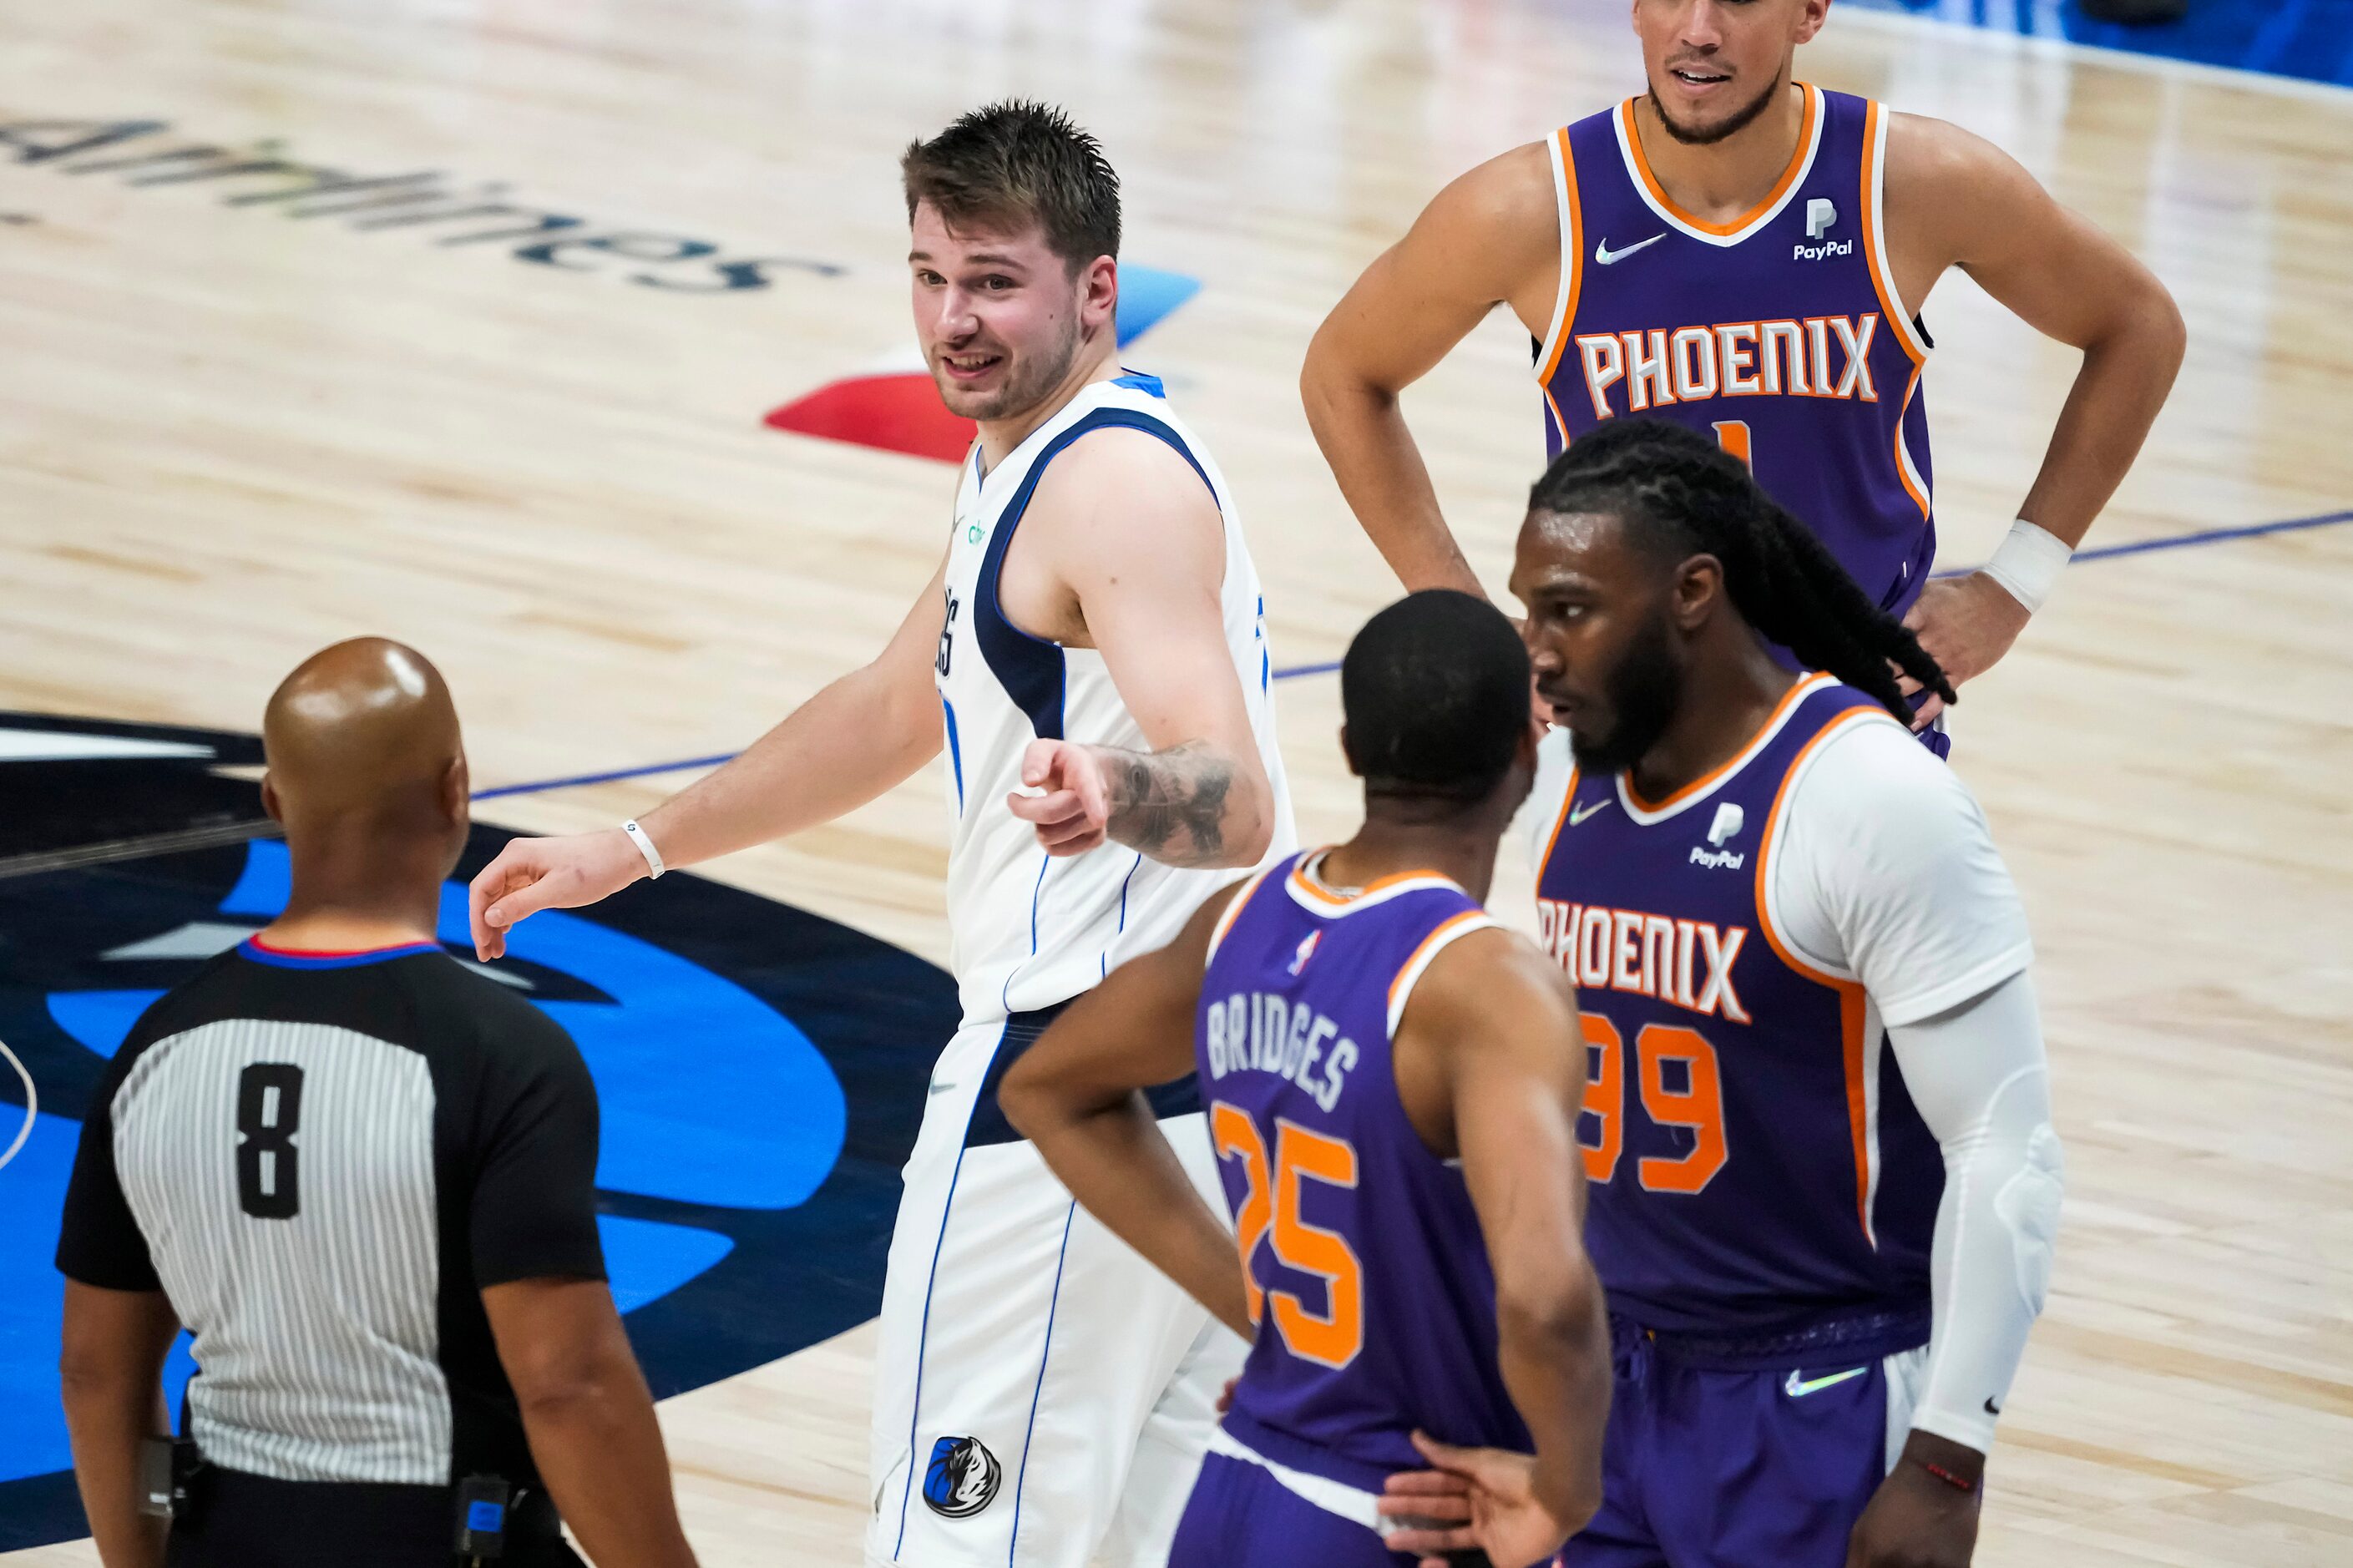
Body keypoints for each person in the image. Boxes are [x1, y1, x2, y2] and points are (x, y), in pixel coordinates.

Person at [463, 102, 1294, 1568]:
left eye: (992, 280)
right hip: (1193, 1084)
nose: (950, 321)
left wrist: (1117, 792)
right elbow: (900, 696)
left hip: (1066, 1096)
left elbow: (1231, 799)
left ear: (1096, 287)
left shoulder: (1108, 481)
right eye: (927, 276)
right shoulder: (1028, 451)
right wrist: (636, 848)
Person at [1384, 419, 2062, 1567]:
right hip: (1615, 1378)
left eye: (1568, 609)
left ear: (1691, 591)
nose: (1533, 649)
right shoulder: (1577, 776)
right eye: (1529, 608)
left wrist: (1947, 1459)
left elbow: (2006, 1144)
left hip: (1817, 1387)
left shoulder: (1868, 797)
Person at [1299, 0, 2184, 748]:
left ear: (1810, 9)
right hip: (1625, 718)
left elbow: (2136, 325)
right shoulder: (1530, 208)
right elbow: (1343, 374)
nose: (1698, 30)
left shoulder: (1911, 180)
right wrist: (1463, 612)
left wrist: (2013, 584)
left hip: (1856, 711)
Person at [1000, 590, 1612, 1568]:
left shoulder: (1243, 919)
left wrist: (1265, 1312)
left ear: (1350, 747)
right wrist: (1566, 1494)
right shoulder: (1489, 985)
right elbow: (1546, 1298)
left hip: (1237, 1487)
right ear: (1525, 755)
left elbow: (1047, 1089)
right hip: (1405, 1510)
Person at [54, 639, 697, 1568]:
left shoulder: (155, 1046)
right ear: (456, 791)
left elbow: (94, 1372)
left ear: (274, 804)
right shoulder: (505, 1055)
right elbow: (568, 1390)